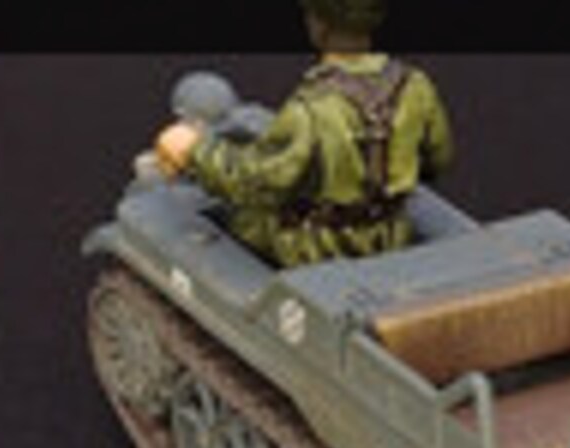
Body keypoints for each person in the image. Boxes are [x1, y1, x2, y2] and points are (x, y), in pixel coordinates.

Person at [155, 0, 454, 267]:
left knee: (232, 214)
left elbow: (254, 183)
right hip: (390, 233)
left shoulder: (309, 109)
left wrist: (195, 150)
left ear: (318, 26)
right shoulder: (415, 86)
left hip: (315, 249)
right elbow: (436, 162)